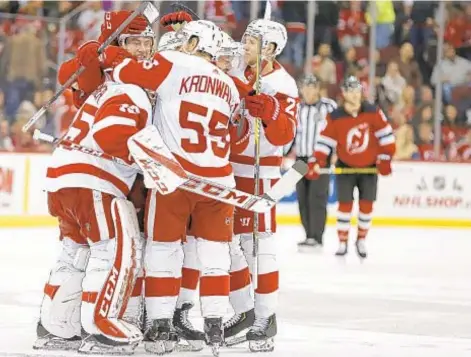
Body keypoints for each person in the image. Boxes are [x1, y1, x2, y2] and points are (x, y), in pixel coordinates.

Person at [99, 20, 248, 354]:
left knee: (164, 250)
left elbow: (124, 73)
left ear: (194, 42)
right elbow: (235, 129)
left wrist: (109, 53)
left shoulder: (173, 63)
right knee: (214, 256)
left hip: (175, 178)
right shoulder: (230, 85)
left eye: (185, 39)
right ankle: (213, 327)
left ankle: (161, 325)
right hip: (219, 181)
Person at [34, 12, 155, 354]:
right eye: (134, 42)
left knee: (72, 254)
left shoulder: (104, 83)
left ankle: (56, 326)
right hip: (94, 179)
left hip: (62, 176)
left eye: (148, 41)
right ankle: (100, 328)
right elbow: (111, 135)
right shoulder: (130, 87)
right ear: (117, 44)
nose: (143, 49)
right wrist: (152, 163)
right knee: (113, 252)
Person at [223, 18, 300, 352]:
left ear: (270, 48)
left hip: (261, 173)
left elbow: (285, 135)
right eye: (246, 39)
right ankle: (243, 311)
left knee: (259, 245)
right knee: (225, 243)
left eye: (252, 41)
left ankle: (265, 318)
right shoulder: (237, 69)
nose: (245, 46)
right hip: (227, 169)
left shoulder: (283, 83)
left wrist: (271, 112)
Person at [309, 76, 395, 258]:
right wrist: (317, 161)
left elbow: (386, 137)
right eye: (350, 91)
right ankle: (342, 242)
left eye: (357, 91)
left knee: (366, 206)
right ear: (344, 93)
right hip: (345, 167)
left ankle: (361, 240)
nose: (354, 95)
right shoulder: (335, 116)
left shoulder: (373, 112)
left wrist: (385, 158)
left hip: (369, 168)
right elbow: (325, 142)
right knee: (345, 205)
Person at [294, 75, 337, 249]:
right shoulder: (297, 108)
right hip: (300, 159)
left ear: (318, 88)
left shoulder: (329, 106)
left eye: (311, 87)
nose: (308, 91)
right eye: (305, 87)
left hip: (320, 158)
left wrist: (335, 153)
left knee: (317, 198)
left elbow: (338, 130)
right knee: (302, 198)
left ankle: (317, 237)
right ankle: (308, 235)